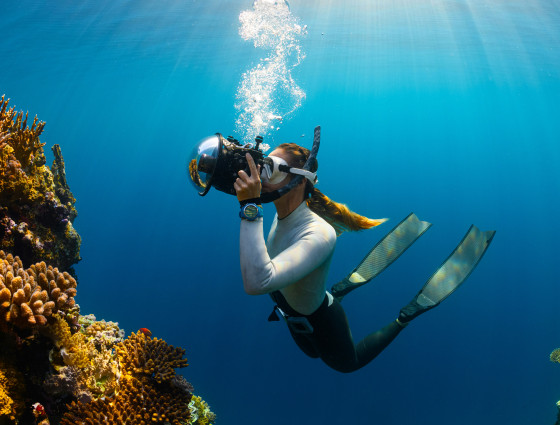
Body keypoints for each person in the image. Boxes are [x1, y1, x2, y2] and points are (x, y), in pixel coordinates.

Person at [234, 142, 494, 373]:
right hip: (289, 310)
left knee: (348, 364)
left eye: (271, 167)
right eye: (262, 164)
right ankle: (338, 289)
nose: (260, 175)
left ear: (300, 180)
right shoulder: (281, 217)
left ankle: (405, 317)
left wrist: (250, 207)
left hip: (321, 319)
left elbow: (258, 281)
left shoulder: (319, 234)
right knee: (312, 353)